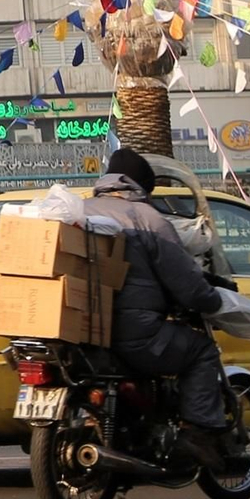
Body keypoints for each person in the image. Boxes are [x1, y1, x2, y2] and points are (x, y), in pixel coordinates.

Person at [94, 149, 231, 467]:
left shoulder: (78, 211)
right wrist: (214, 300)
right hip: (133, 332)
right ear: (142, 187)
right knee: (201, 352)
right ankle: (196, 433)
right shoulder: (148, 219)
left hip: (80, 332)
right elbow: (186, 282)